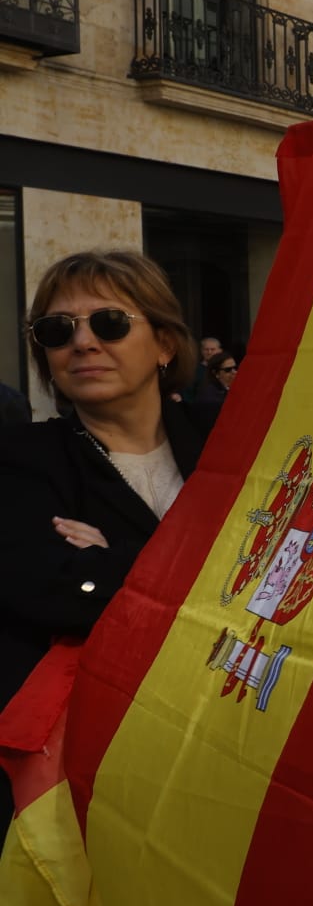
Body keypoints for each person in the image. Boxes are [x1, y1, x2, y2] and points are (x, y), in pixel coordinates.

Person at [0, 250, 208, 828]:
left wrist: (117, 563)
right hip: (98, 763)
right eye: (57, 330)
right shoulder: (19, 458)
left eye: (110, 323)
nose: (83, 343)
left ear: (165, 344)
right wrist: (202, 577)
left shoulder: (230, 440)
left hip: (228, 736)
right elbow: (49, 592)